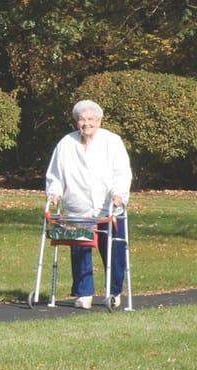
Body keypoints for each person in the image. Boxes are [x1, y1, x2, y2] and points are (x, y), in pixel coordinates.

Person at [45, 100, 132, 309]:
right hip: (79, 208)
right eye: (82, 119)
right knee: (80, 250)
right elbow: (55, 173)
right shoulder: (66, 143)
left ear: (99, 121)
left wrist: (118, 194)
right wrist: (53, 193)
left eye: (91, 119)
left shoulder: (112, 141)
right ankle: (84, 293)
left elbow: (122, 171)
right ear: (77, 122)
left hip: (108, 207)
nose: (86, 123)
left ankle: (114, 291)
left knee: (114, 250)